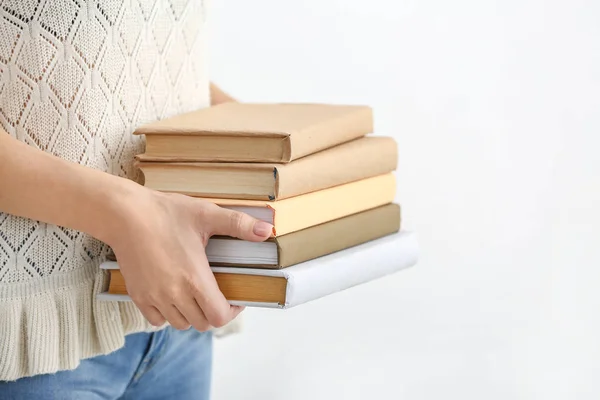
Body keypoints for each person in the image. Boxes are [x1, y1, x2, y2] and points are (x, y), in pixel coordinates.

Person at [0, 1, 271, 398]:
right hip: (33, 333)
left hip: (176, 302)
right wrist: (128, 212)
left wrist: (264, 136)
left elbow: (122, 42)